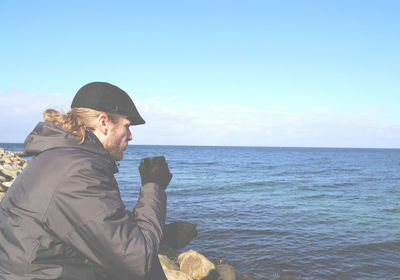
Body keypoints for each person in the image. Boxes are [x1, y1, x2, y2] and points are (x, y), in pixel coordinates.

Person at [0, 82, 172, 280]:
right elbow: (138, 260)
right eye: (127, 126)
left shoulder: (58, 157)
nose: (131, 136)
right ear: (104, 122)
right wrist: (153, 186)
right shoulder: (78, 172)